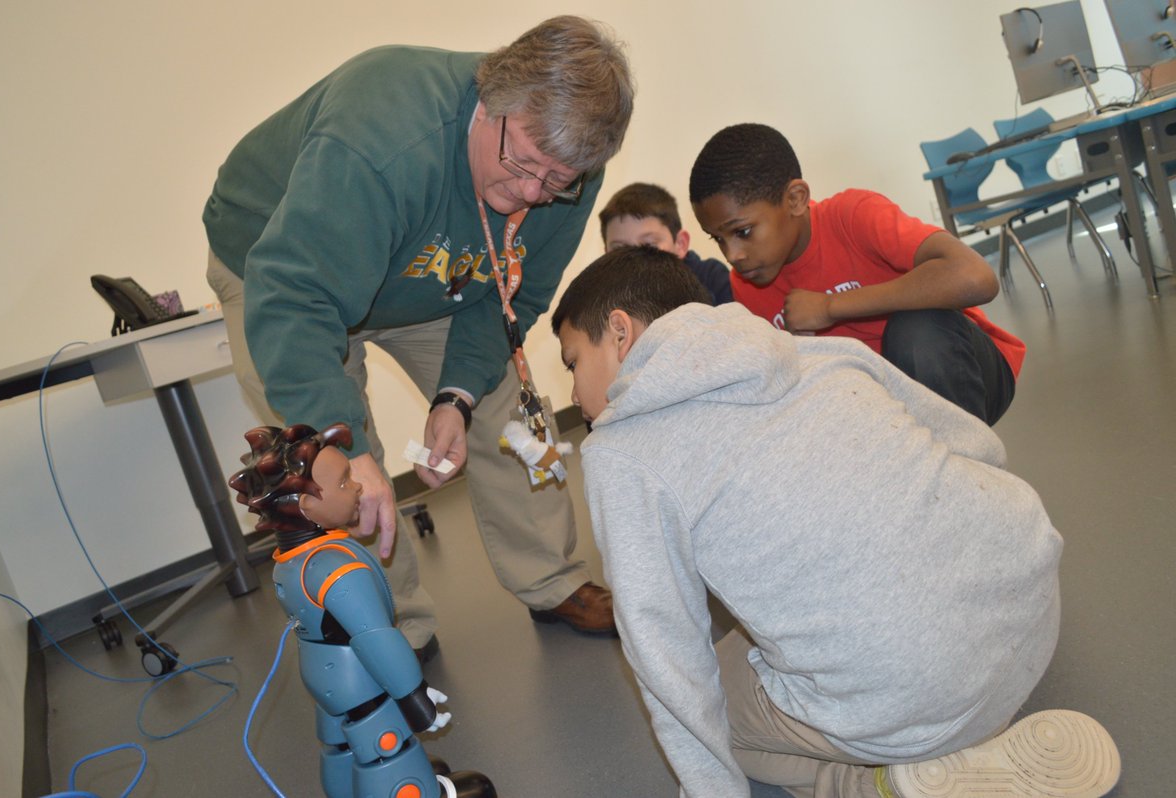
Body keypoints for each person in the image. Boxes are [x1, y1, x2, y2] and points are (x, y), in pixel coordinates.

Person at [549, 246, 1120, 798]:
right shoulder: (813, 352)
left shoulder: (620, 452)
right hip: (1030, 617)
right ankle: (959, 730)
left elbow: (665, 653)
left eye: (574, 362)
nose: (575, 393)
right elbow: (978, 448)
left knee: (716, 698)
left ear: (621, 333)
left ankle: (874, 783)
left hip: (920, 702)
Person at [203, 16, 634, 649]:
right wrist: (347, 453)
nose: (529, 195)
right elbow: (296, 296)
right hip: (281, 266)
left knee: (506, 408)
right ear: (489, 105)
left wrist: (456, 394)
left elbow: (518, 296)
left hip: (426, 270)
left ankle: (553, 577)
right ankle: (391, 621)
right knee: (328, 464)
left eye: (556, 184)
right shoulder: (382, 138)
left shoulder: (566, 169)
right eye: (523, 165)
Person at [689, 123, 1025, 425]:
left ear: (795, 199)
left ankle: (970, 481)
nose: (733, 255)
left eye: (743, 232)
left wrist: (831, 306)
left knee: (915, 329)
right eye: (718, 239)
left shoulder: (853, 216)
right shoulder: (747, 284)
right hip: (878, 411)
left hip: (965, 373)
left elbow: (975, 277)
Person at [229, 423, 494, 798]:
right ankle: (413, 787)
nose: (357, 487)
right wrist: (414, 696)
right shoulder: (339, 571)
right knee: (385, 746)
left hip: (323, 676)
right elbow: (376, 639)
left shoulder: (287, 563)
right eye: (343, 482)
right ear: (305, 505)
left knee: (339, 745)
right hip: (359, 680)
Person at [597, 182, 732, 304]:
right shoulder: (599, 296)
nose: (634, 259)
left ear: (680, 244)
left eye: (649, 245)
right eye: (620, 249)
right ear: (606, 254)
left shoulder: (710, 278)